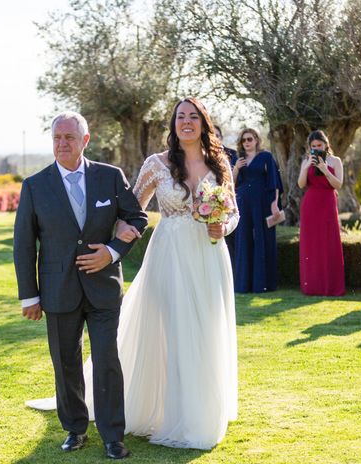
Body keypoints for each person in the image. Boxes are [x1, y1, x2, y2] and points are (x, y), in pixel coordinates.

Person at [27, 99, 238, 450]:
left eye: (193, 117)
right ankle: (170, 415)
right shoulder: (157, 164)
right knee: (173, 333)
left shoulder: (220, 164)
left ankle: (203, 412)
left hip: (209, 256)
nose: (186, 122)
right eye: (180, 117)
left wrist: (224, 228)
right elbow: (130, 210)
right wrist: (111, 243)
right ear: (172, 124)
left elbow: (233, 212)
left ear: (204, 122)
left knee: (206, 330)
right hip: (169, 255)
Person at [13, 111, 148, 459]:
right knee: (65, 362)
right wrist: (30, 295)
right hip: (57, 291)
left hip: (103, 288)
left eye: (69, 137)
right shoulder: (35, 185)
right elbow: (24, 245)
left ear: (85, 140)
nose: (62, 144)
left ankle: (112, 436)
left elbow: (137, 217)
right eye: (57, 138)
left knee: (106, 360)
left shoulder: (110, 177)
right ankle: (75, 429)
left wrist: (114, 251)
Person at [233, 128, 281, 293]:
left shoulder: (266, 157)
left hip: (263, 201)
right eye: (244, 140)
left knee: (263, 238)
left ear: (256, 140)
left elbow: (274, 182)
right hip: (243, 202)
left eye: (250, 139)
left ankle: (262, 283)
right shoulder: (239, 159)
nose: (247, 142)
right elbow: (231, 184)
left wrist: (274, 203)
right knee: (243, 238)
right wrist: (236, 169)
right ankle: (243, 284)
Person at [297, 130, 345, 296]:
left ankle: (330, 286)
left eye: (319, 145)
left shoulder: (335, 160)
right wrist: (306, 167)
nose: (317, 148)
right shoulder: (306, 161)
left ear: (326, 144)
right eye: (313, 146)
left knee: (328, 242)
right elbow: (301, 184)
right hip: (310, 204)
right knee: (311, 245)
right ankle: (312, 286)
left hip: (328, 203)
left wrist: (325, 169)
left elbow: (338, 185)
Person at [215, 124, 238, 270]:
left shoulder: (231, 155)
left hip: (227, 204)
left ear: (222, 138)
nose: (215, 138)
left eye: (217, 135)